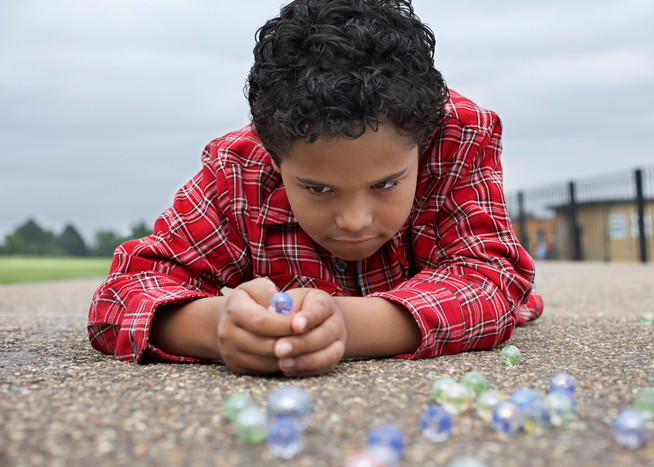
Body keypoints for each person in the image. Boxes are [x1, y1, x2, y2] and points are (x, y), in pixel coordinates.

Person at [88, 0, 544, 377]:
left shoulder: (459, 137)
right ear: (274, 159)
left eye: (386, 183)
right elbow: (121, 295)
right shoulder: (239, 169)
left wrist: (344, 324)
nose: (355, 220)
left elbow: (491, 281)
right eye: (318, 189)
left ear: (422, 147)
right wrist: (217, 326)